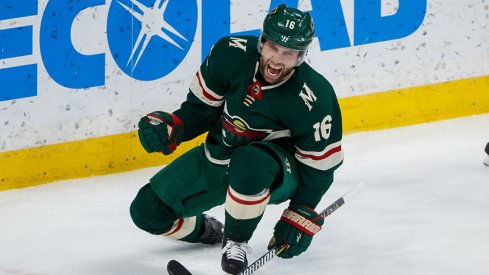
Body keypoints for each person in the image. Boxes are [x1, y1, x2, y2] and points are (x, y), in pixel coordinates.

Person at [130, 4, 344, 274]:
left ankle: (236, 242)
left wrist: (299, 212)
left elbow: (319, 168)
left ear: (301, 56)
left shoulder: (315, 96)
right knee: (147, 212)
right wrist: (175, 127)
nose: (278, 60)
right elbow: (201, 110)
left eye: (289, 53)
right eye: (273, 48)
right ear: (262, 41)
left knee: (249, 162)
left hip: (275, 172)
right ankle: (208, 231)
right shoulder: (229, 53)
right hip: (220, 156)